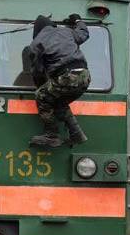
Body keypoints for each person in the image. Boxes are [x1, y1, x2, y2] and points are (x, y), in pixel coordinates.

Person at [27, 14, 91, 148]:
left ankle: (51, 135)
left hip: (66, 77)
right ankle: (77, 134)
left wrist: (41, 87)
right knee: (58, 101)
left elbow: (37, 72)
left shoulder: (36, 43)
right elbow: (84, 34)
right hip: (85, 77)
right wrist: (78, 20)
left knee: (42, 95)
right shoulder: (66, 32)